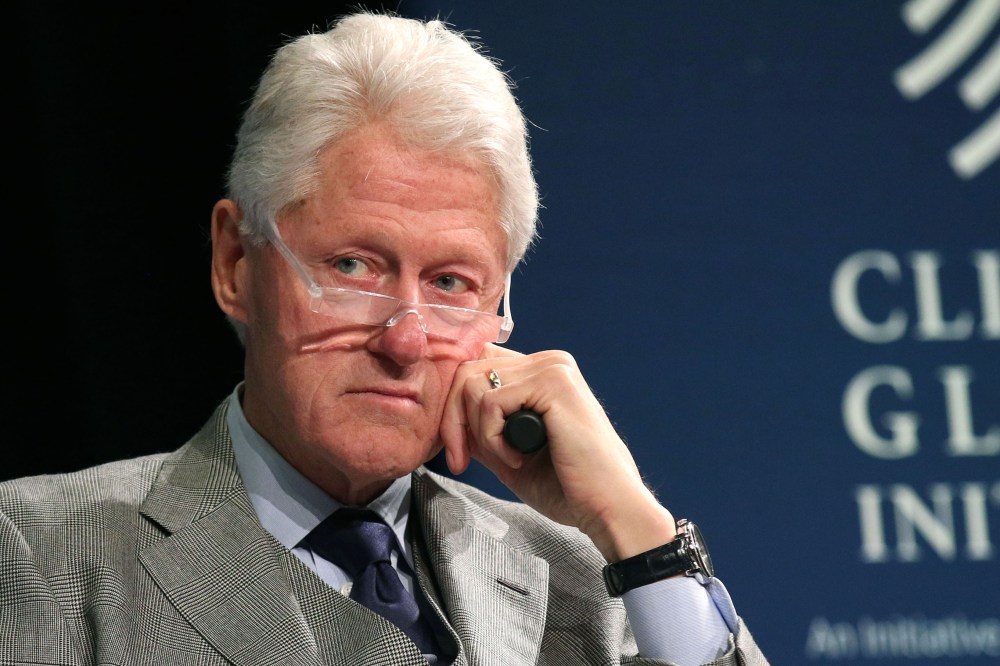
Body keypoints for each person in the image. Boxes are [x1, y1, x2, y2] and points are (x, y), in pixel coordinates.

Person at [0, 10, 769, 666]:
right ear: (236, 262)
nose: (404, 342)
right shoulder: (36, 555)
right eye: (354, 266)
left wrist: (638, 530)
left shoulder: (587, 580)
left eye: (451, 285)